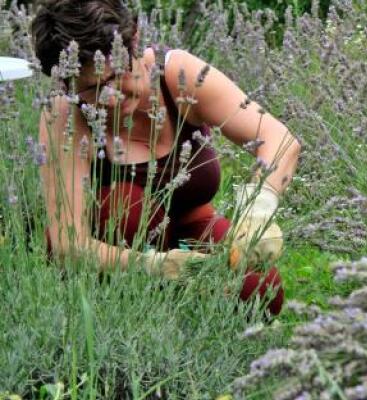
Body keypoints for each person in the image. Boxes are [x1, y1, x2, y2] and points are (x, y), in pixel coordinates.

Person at [30, 0, 301, 315]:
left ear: (134, 42)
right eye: (93, 88)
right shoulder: (63, 113)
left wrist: (259, 208)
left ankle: (189, 323)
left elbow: (279, 139)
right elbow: (68, 244)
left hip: (190, 226)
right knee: (125, 205)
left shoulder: (178, 74)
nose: (112, 98)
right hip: (109, 255)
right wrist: (153, 265)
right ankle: (119, 322)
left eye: (118, 75)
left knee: (258, 287)